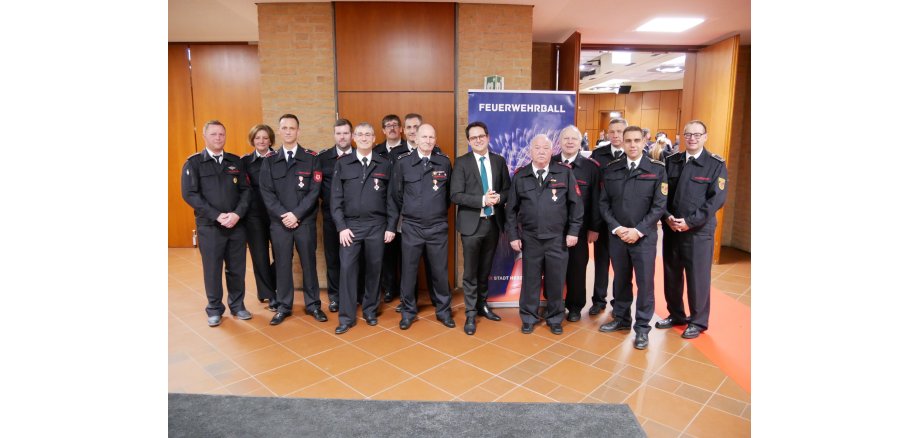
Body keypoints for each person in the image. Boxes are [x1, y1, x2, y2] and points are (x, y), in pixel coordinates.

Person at [597, 126, 668, 350]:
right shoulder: (612, 169)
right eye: (628, 141)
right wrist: (618, 228)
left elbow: (659, 206)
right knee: (620, 280)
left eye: (637, 140)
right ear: (623, 143)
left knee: (645, 284)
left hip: (644, 238)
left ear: (645, 141)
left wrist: (637, 230)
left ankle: (642, 328)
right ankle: (621, 318)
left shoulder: (657, 170)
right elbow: (604, 203)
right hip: (618, 237)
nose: (632, 145)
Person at [506, 134, 583, 335]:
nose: (541, 151)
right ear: (530, 151)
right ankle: (529, 317)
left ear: (552, 152)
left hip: (557, 238)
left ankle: (555, 317)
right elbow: (511, 210)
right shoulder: (520, 175)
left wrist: (573, 231)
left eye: (545, 148)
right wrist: (513, 236)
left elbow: (576, 206)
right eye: (537, 148)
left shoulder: (564, 173)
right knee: (530, 280)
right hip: (530, 238)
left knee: (556, 281)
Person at [658, 120, 728, 339]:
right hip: (671, 229)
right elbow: (662, 193)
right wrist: (667, 217)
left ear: (705, 137)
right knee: (672, 274)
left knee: (697, 278)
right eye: (688, 134)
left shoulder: (715, 164)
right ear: (682, 136)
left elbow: (716, 200)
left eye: (697, 135)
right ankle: (676, 314)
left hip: (699, 232)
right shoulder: (671, 161)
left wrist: (690, 221)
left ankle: (698, 321)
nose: (692, 138)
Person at [181, 120, 252, 327]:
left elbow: (246, 191)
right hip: (210, 226)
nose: (218, 138)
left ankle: (237, 305)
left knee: (237, 268)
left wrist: (237, 214)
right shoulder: (193, 163)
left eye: (221, 134)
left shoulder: (235, 162)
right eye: (213, 134)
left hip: (236, 225)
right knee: (212, 269)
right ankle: (214, 309)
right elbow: (190, 194)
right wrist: (216, 215)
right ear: (205, 136)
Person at [259, 114, 326, 326]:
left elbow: (315, 191)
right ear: (279, 131)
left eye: (292, 128)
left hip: (304, 221)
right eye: (284, 128)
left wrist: (296, 214)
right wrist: (285, 216)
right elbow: (267, 193)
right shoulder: (269, 161)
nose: (288, 131)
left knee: (309, 263)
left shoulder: (311, 157)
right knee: (282, 265)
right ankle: (283, 306)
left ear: (298, 131)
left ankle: (313, 304)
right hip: (280, 224)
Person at [331, 122, 395, 334]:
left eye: (368, 134)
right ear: (354, 138)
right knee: (348, 270)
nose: (364, 137)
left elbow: (392, 200)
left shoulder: (384, 164)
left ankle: (370, 310)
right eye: (360, 134)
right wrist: (341, 227)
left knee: (374, 270)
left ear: (375, 138)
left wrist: (391, 226)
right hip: (350, 227)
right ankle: (346, 317)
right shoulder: (343, 163)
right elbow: (335, 199)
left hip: (377, 226)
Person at [388, 124, 454, 330]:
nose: (428, 140)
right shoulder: (403, 163)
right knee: (408, 272)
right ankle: (408, 312)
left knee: (440, 273)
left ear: (435, 140)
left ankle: (444, 311)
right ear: (415, 138)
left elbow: (448, 196)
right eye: (424, 137)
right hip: (412, 227)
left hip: (437, 227)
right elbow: (396, 196)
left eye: (431, 137)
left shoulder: (444, 162)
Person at [449, 121, 509, 335]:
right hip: (471, 225)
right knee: (471, 272)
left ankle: (483, 305)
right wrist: (483, 199)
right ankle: (471, 313)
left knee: (485, 270)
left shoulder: (499, 161)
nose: (478, 140)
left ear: (488, 136)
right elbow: (455, 195)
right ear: (469, 141)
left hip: (493, 224)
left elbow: (508, 191)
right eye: (473, 138)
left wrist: (499, 197)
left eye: (481, 136)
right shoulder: (462, 163)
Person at [551, 125, 601, 322]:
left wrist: (594, 228)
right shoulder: (550, 162)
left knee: (577, 269)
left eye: (574, 139)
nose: (570, 142)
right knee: (553, 269)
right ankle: (554, 305)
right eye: (566, 139)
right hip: (553, 229)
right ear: (560, 142)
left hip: (579, 230)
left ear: (580, 142)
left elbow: (597, 200)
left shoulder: (591, 168)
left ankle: (574, 307)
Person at [317, 119, 364, 314]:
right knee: (333, 258)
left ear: (352, 135)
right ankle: (335, 297)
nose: (342, 137)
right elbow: (317, 188)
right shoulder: (323, 158)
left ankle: (358, 294)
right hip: (331, 218)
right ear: (334, 135)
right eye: (338, 133)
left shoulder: (361, 155)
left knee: (358, 258)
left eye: (345, 133)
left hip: (355, 219)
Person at [588, 118, 628, 316]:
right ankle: (598, 300)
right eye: (612, 131)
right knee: (601, 263)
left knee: (621, 266)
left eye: (620, 131)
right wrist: (594, 223)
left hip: (625, 222)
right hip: (603, 220)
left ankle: (619, 303)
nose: (615, 135)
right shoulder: (598, 154)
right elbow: (595, 191)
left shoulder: (634, 154)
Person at [241, 124, 278, 311]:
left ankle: (269, 283)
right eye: (257, 138)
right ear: (252, 140)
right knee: (260, 256)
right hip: (254, 215)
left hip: (277, 215)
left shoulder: (279, 158)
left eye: (265, 138)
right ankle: (269, 294)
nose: (261, 141)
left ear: (270, 140)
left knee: (283, 254)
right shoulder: (245, 162)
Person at [372, 115, 406, 306]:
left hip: (406, 210)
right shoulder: (377, 151)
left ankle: (405, 289)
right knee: (387, 252)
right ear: (383, 131)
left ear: (400, 129)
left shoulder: (408, 149)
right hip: (383, 209)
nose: (392, 128)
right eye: (388, 126)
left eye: (395, 125)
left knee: (406, 253)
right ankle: (389, 287)